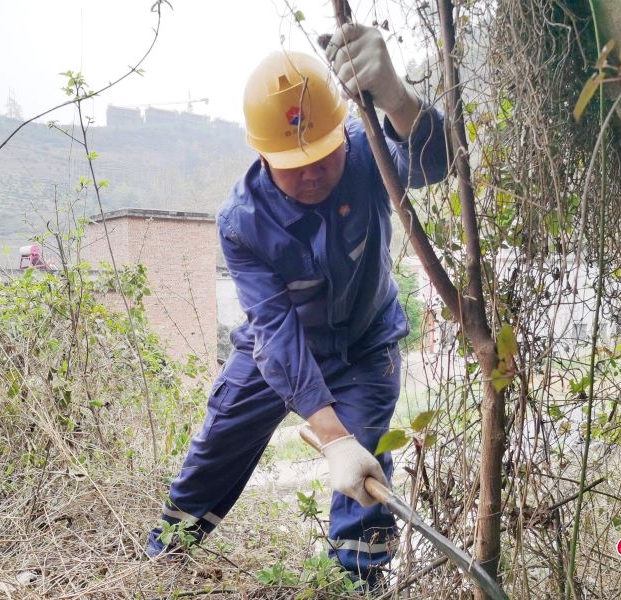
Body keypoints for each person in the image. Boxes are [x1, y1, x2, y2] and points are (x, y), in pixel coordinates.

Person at [145, 24, 448, 586]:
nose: (311, 173)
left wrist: (398, 97)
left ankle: (356, 583)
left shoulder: (366, 156)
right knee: (219, 441)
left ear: (341, 132)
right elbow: (275, 334)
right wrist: (330, 437)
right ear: (261, 154)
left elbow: (435, 165)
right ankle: (165, 556)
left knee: (365, 472)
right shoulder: (242, 222)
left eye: (322, 154)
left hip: (364, 347)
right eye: (292, 162)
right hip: (278, 351)